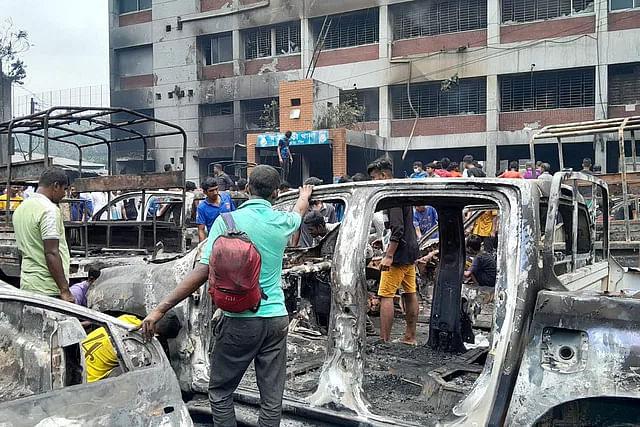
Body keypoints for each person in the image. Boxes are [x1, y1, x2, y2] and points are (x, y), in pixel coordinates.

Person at [136, 165, 313, 426]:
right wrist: (303, 196)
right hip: (276, 319)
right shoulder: (282, 221)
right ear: (276, 193)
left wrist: (160, 309)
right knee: (272, 400)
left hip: (239, 320)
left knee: (220, 392)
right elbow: (298, 213)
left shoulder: (226, 222)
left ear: (247, 189)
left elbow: (202, 271)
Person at [368, 158, 420, 345]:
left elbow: (397, 228)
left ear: (383, 175)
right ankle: (410, 336)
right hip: (410, 250)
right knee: (410, 291)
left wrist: (389, 255)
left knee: (386, 296)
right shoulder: (402, 192)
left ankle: (385, 340)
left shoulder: (392, 196)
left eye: (374, 178)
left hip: (398, 254)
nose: (373, 182)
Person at [13, 168, 73, 302]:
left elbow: (21, 251)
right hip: (47, 288)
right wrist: (65, 290)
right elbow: (51, 252)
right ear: (56, 186)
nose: (64, 194)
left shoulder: (21, 209)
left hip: (28, 284)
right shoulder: (49, 210)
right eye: (64, 189)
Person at [83, 311, 180, 382]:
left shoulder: (127, 318)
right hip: (89, 382)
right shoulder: (136, 346)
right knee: (138, 375)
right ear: (157, 335)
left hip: (78, 364)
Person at [196, 177, 235, 242]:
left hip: (231, 238)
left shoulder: (226, 198)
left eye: (216, 189)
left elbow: (234, 215)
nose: (215, 193)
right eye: (211, 191)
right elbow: (201, 230)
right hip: (214, 240)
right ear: (205, 192)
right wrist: (202, 248)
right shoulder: (201, 208)